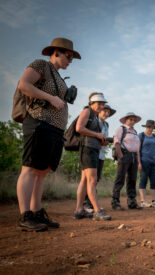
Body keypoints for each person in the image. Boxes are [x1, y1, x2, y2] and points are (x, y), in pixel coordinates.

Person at [16, 37, 81, 232]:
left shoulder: (59, 76)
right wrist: (51, 97)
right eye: (68, 57)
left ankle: (36, 213)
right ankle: (25, 215)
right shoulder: (40, 65)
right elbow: (24, 85)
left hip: (54, 129)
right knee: (29, 168)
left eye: (72, 59)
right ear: (56, 52)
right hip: (38, 122)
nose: (70, 61)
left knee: (42, 172)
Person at [74, 93, 111, 221]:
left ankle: (79, 210)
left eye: (103, 104)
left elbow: (92, 134)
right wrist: (97, 135)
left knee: (85, 181)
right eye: (99, 103)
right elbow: (79, 128)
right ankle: (97, 210)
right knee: (92, 180)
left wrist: (102, 140)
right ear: (92, 103)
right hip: (87, 149)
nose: (102, 106)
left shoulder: (95, 116)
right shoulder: (86, 111)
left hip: (93, 149)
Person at [83, 104, 116, 213]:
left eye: (108, 112)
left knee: (96, 180)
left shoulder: (106, 124)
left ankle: (92, 203)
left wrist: (107, 141)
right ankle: (86, 204)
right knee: (89, 180)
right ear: (100, 111)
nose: (106, 114)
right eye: (104, 111)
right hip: (91, 151)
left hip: (101, 154)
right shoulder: (94, 121)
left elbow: (103, 138)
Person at [111, 112, 142, 210]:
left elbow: (137, 148)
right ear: (126, 120)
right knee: (120, 178)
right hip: (125, 155)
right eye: (130, 119)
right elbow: (116, 142)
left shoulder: (134, 132)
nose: (132, 121)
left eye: (134, 120)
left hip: (134, 157)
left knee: (132, 179)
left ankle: (132, 201)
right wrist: (121, 156)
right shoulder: (121, 129)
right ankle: (115, 202)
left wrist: (138, 160)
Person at [138, 120, 155, 208]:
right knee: (143, 180)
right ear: (146, 127)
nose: (150, 129)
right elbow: (137, 149)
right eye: (149, 127)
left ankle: (154, 201)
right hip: (144, 161)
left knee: (154, 182)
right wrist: (139, 162)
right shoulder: (141, 136)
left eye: (152, 127)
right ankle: (143, 201)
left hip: (153, 162)